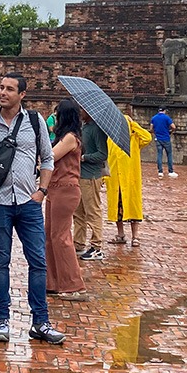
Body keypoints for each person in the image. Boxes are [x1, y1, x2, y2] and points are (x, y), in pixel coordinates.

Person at [0, 73, 66, 345]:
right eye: (0, 87)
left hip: (29, 202)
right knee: (0, 262)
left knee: (38, 263)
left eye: (9, 89)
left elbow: (47, 158)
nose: (3, 92)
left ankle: (40, 322)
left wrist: (41, 192)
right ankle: (2, 320)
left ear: (22, 94)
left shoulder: (35, 120)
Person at [44, 99, 86, 300]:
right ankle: (52, 281)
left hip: (65, 189)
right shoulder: (64, 137)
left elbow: (50, 156)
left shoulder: (71, 138)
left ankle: (73, 285)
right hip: (54, 188)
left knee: (61, 236)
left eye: (57, 113)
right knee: (50, 235)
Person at [105, 113, 152, 247]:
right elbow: (108, 157)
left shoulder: (134, 138)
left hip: (130, 179)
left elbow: (147, 137)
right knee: (117, 209)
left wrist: (133, 124)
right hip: (115, 179)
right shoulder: (111, 139)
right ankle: (120, 234)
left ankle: (135, 236)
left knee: (133, 208)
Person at [72, 105, 108, 261]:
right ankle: (78, 243)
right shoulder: (83, 127)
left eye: (82, 110)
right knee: (78, 212)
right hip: (81, 175)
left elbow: (102, 154)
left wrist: (85, 157)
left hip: (91, 176)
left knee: (92, 211)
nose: (80, 112)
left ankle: (96, 246)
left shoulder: (96, 129)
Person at [149, 107, 177, 178]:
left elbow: (151, 129)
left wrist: (155, 133)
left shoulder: (154, 118)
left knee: (159, 155)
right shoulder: (167, 118)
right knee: (169, 154)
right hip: (166, 138)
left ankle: (160, 172)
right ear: (164, 111)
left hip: (158, 138)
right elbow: (173, 127)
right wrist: (171, 131)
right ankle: (170, 171)